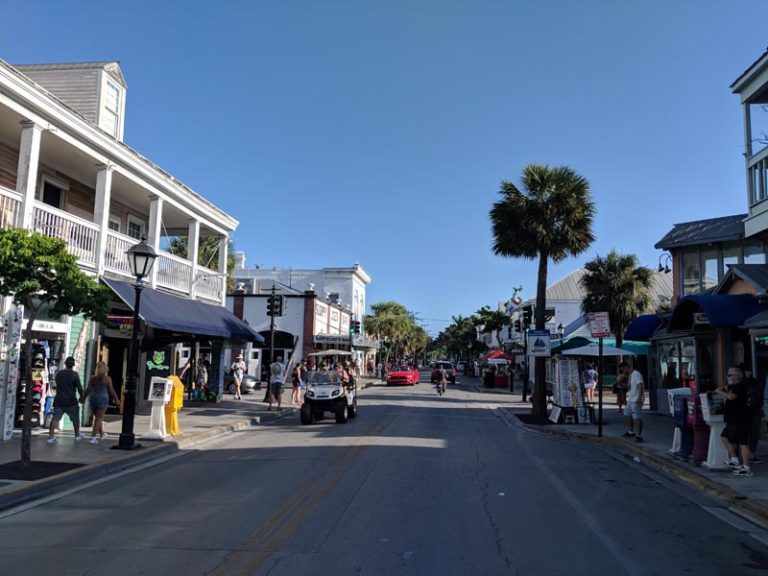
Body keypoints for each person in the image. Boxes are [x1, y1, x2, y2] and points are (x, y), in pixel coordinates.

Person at [716, 366, 753, 476]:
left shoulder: (739, 387)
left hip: (739, 419)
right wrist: (724, 388)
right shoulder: (734, 386)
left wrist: (720, 392)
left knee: (743, 443)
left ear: (738, 376)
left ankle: (746, 467)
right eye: (728, 374)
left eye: (731, 374)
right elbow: (728, 389)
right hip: (733, 419)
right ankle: (735, 459)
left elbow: (732, 397)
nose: (728, 376)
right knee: (725, 437)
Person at [46, 356, 85, 444]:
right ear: (73, 365)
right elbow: (79, 388)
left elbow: (54, 386)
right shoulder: (75, 375)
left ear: (65, 364)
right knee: (75, 419)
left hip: (59, 400)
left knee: (55, 418)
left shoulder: (59, 374)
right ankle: (77, 435)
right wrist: (82, 397)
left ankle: (51, 437)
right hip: (71, 401)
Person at [82, 361, 120, 444]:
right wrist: (116, 399)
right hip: (103, 399)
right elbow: (111, 390)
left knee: (98, 417)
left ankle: (102, 434)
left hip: (93, 399)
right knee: (99, 419)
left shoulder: (93, 378)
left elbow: (88, 389)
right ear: (105, 370)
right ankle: (93, 437)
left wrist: (83, 398)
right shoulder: (107, 379)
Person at [742, 365, 764, 464]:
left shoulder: (755, 382)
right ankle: (746, 455)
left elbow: (759, 395)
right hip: (746, 411)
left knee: (754, 433)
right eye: (746, 371)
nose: (748, 373)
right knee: (745, 434)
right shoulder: (743, 383)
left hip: (755, 410)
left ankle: (751, 454)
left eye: (749, 371)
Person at [620, 362, 645, 443]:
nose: (623, 372)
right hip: (631, 398)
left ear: (626, 367)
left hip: (636, 399)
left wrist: (639, 398)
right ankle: (631, 431)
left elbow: (640, 385)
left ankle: (639, 435)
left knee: (637, 417)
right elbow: (631, 386)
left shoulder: (636, 374)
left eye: (623, 369)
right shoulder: (631, 375)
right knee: (627, 414)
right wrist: (624, 386)